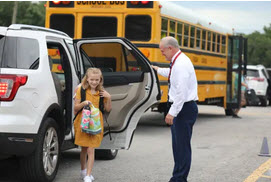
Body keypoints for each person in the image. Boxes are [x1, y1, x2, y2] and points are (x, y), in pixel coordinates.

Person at [152, 36, 198, 182]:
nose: (162, 53)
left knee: (182, 147)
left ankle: (179, 179)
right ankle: (178, 177)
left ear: (170, 48)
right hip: (184, 107)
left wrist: (172, 112)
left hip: (184, 108)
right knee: (178, 147)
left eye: (162, 51)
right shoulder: (178, 61)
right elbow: (172, 75)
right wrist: (157, 69)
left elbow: (181, 93)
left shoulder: (181, 64)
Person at [73, 68, 112, 182]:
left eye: (96, 80)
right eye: (92, 80)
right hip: (83, 122)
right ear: (87, 79)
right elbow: (75, 108)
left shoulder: (102, 93)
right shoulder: (81, 90)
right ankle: (83, 171)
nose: (94, 82)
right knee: (84, 149)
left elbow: (108, 109)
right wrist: (83, 103)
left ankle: (88, 175)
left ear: (100, 80)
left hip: (95, 124)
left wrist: (108, 97)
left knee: (91, 149)